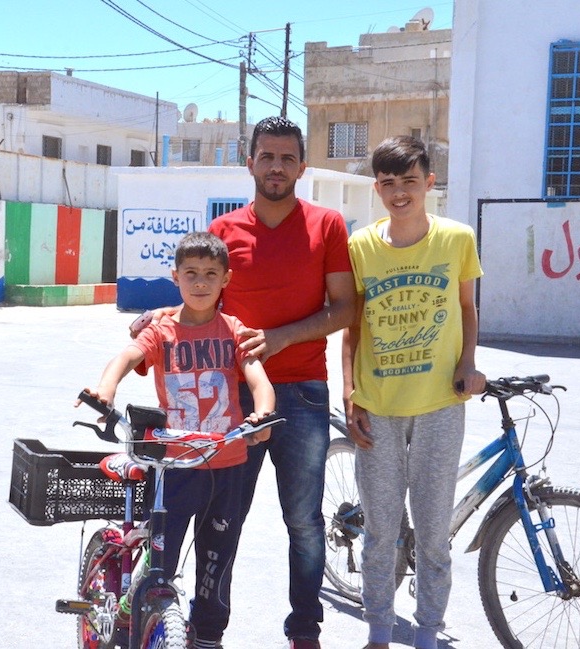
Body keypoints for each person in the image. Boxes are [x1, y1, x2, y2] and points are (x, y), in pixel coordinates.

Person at [80, 231, 275, 649]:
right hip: (175, 468)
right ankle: (140, 620)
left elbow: (259, 378)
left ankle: (207, 637)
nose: (200, 282)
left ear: (226, 279)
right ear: (175, 277)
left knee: (216, 561)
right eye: (191, 273)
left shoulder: (234, 330)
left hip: (227, 465)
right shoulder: (163, 328)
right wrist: (105, 389)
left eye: (210, 274)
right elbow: (129, 356)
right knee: (160, 562)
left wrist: (261, 413)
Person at [208, 116, 357, 649]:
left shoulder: (328, 226)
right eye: (266, 156)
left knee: (304, 522)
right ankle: (208, 630)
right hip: (231, 398)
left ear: (302, 166)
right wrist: (156, 322)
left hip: (302, 396)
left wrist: (279, 338)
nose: (276, 166)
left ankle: (304, 630)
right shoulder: (223, 234)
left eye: (287, 158)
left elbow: (344, 308)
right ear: (249, 162)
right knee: (223, 517)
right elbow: (200, 306)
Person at [342, 135, 486, 649]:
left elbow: (468, 308)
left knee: (432, 532)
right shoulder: (360, 247)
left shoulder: (456, 239)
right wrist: (349, 391)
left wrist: (469, 362)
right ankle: (379, 629)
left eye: (409, 181)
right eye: (387, 183)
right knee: (380, 531)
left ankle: (427, 630)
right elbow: (354, 326)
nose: (398, 192)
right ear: (376, 188)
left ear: (429, 182)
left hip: (440, 404)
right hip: (378, 406)